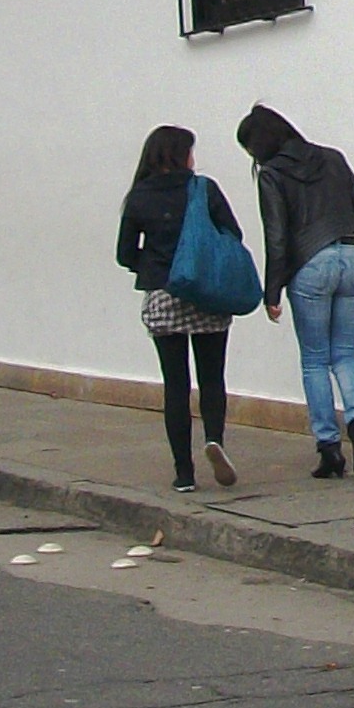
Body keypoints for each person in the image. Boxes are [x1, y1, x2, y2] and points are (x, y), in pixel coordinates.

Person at [240, 104, 354, 480]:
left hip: (311, 265)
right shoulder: (333, 158)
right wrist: (351, 242)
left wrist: (272, 291)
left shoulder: (272, 174)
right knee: (345, 353)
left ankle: (329, 447)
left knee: (315, 360)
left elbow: (277, 236)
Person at [111, 125, 240, 493]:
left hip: (164, 294)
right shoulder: (203, 189)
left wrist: (152, 267)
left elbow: (123, 255)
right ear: (180, 154)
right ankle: (214, 440)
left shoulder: (138, 197)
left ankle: (184, 473)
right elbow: (233, 234)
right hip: (207, 294)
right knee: (212, 377)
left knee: (176, 385)